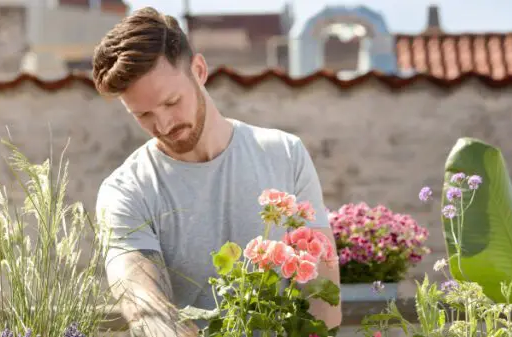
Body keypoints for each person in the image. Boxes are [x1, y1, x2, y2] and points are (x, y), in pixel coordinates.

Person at [91, 6, 342, 336]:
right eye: (144, 115)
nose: (163, 124)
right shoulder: (125, 191)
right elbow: (140, 298)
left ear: (199, 70)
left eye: (171, 102)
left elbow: (323, 295)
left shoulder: (284, 154)